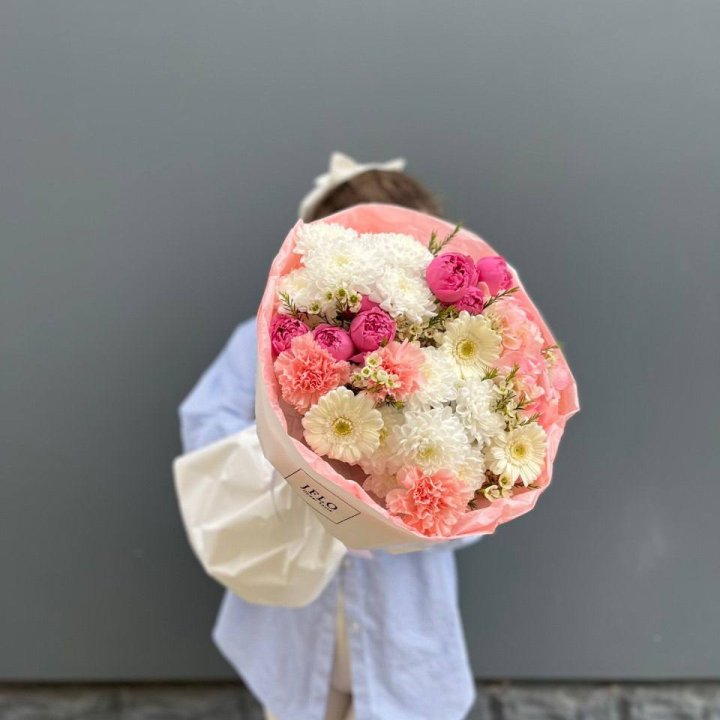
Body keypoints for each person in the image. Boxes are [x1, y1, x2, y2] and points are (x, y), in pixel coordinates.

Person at [179, 153, 477, 720]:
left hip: (403, 617)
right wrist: (292, 463)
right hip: (293, 609)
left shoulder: (447, 357)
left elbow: (476, 487)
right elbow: (208, 425)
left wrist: (417, 504)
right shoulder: (265, 337)